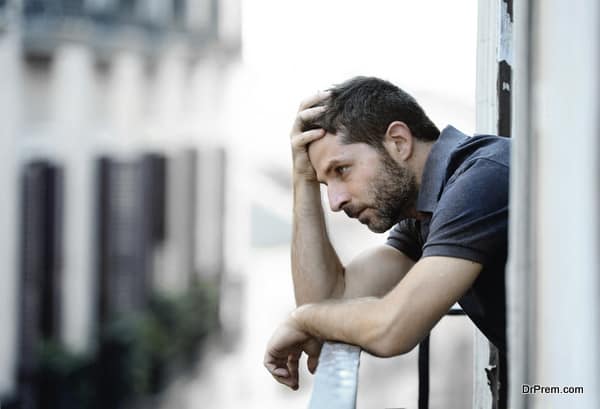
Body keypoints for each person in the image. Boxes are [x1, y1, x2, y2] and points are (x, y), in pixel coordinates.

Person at [263, 76, 509, 402]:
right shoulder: (424, 214)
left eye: (342, 170)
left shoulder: (480, 180)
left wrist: (301, 319)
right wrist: (303, 178)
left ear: (398, 142)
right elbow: (330, 299)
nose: (335, 202)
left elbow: (392, 329)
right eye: (325, 184)